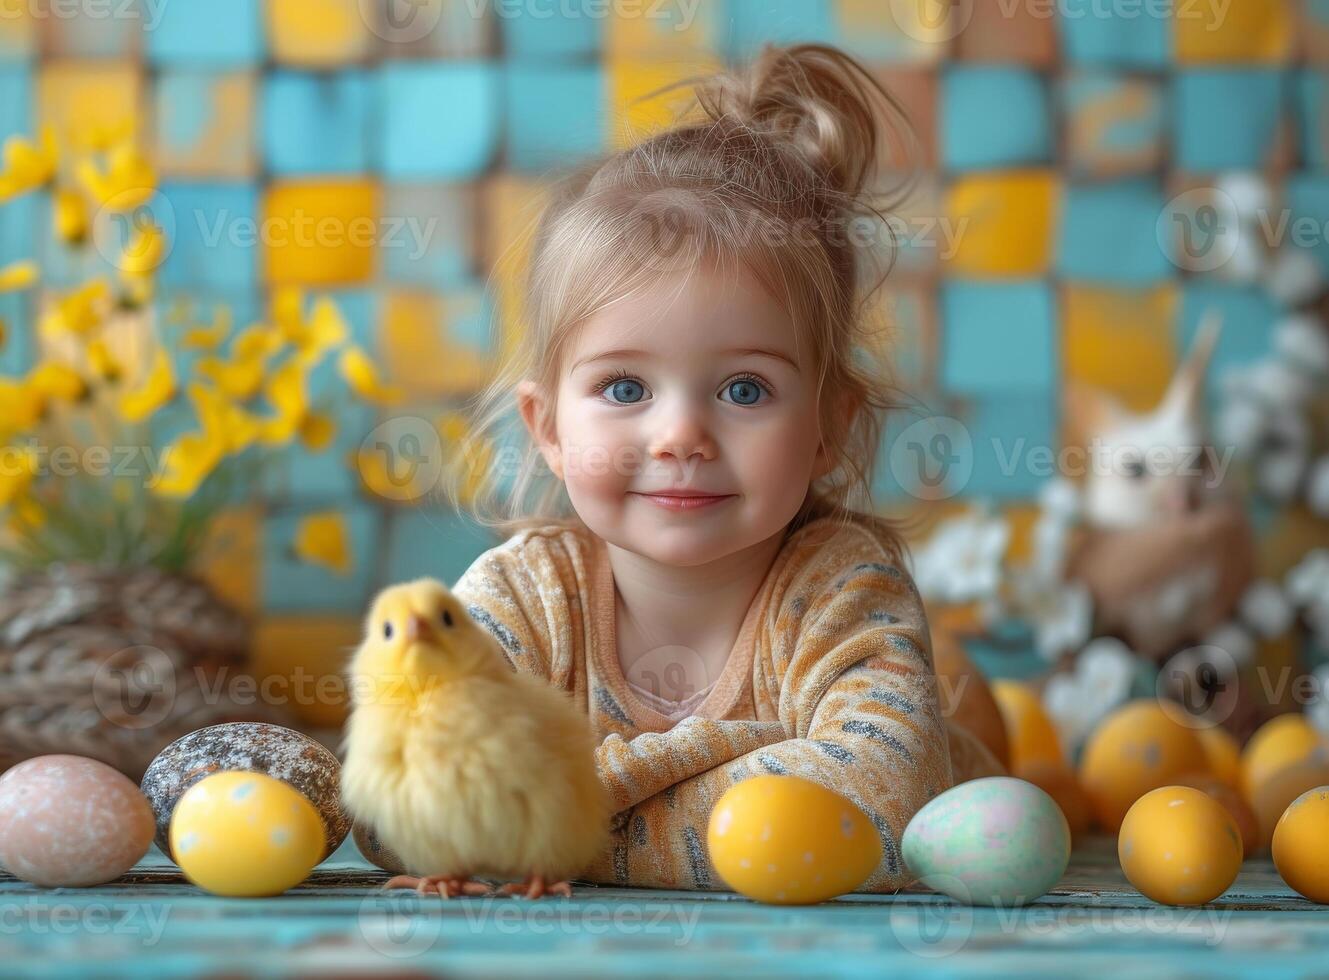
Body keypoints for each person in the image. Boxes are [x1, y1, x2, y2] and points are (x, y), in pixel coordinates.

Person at [445, 42, 1004, 892]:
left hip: (956, 739)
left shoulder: (841, 591)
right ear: (547, 426)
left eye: (744, 388)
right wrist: (754, 755)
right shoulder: (522, 600)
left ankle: (980, 721)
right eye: (625, 385)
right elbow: (415, 807)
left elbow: (880, 812)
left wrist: (559, 824)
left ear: (827, 427)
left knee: (984, 747)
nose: (680, 434)